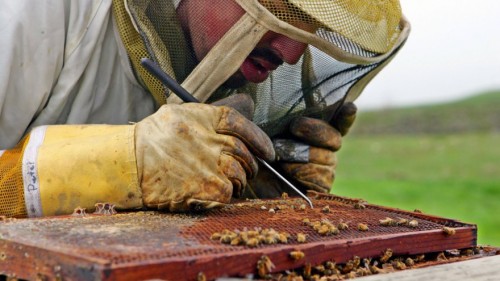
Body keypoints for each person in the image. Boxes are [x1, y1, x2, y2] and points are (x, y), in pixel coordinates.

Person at [0, 0, 410, 218]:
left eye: (313, 27)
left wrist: (250, 195)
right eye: (283, 11)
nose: (290, 52)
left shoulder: (236, 70)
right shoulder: (35, 12)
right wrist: (122, 165)